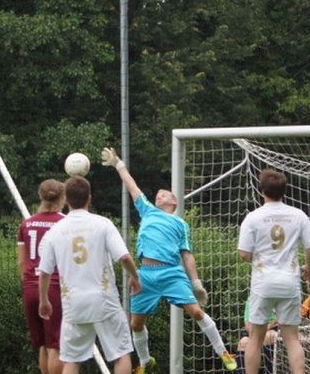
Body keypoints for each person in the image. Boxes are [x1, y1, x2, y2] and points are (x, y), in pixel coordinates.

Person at [100, 147, 238, 373]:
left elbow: (187, 255)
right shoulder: (147, 211)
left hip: (172, 273)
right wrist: (119, 165)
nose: (159, 196)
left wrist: (196, 283)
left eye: (164, 194)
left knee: (196, 312)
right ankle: (145, 361)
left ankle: (223, 351)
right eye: (157, 195)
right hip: (145, 274)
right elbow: (132, 187)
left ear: (174, 202)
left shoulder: (180, 224)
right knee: (135, 324)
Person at [36, 174, 140, 374]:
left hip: (73, 304)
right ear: (89, 197)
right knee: (121, 355)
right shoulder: (103, 224)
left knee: (71, 361)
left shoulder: (55, 231)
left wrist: (44, 300)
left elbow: (45, 272)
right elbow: (124, 257)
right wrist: (135, 277)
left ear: (66, 199)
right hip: (104, 301)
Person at [237, 169, 310, 374]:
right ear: (284, 190)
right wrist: (309, 269)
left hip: (263, 284)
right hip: (289, 283)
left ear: (262, 191)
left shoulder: (253, 217)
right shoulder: (298, 215)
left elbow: (244, 254)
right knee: (292, 339)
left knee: (255, 339)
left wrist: (260, 258)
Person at [17, 179, 66, 374]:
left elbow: (21, 262)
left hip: (31, 287)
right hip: (54, 287)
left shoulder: (26, 224)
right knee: (56, 344)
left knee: (43, 344)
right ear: (62, 198)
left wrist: (28, 285)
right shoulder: (64, 223)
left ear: (40, 196)